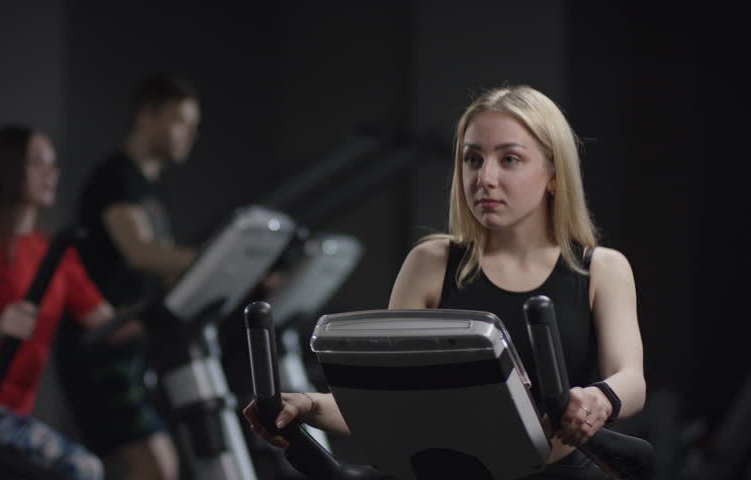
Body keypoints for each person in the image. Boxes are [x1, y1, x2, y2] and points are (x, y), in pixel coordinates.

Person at [243, 85, 646, 477]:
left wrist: (599, 399)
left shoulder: (601, 269)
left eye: (509, 159)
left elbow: (630, 379)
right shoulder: (430, 262)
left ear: (554, 174)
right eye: (473, 159)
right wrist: (308, 407)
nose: (485, 177)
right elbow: (386, 405)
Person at [0, 124, 141, 480]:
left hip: (13, 411)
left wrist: (172, 309)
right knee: (83, 469)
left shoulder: (56, 254)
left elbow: (109, 326)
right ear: (7, 170)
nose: (50, 173)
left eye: (53, 164)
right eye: (37, 162)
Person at [54, 72, 200, 480]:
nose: (189, 134)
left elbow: (166, 274)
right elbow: (141, 254)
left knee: (162, 465)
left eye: (193, 126)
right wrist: (217, 258)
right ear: (146, 116)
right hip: (99, 347)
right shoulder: (117, 179)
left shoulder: (155, 190)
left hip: (132, 347)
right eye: (180, 122)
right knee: (154, 465)